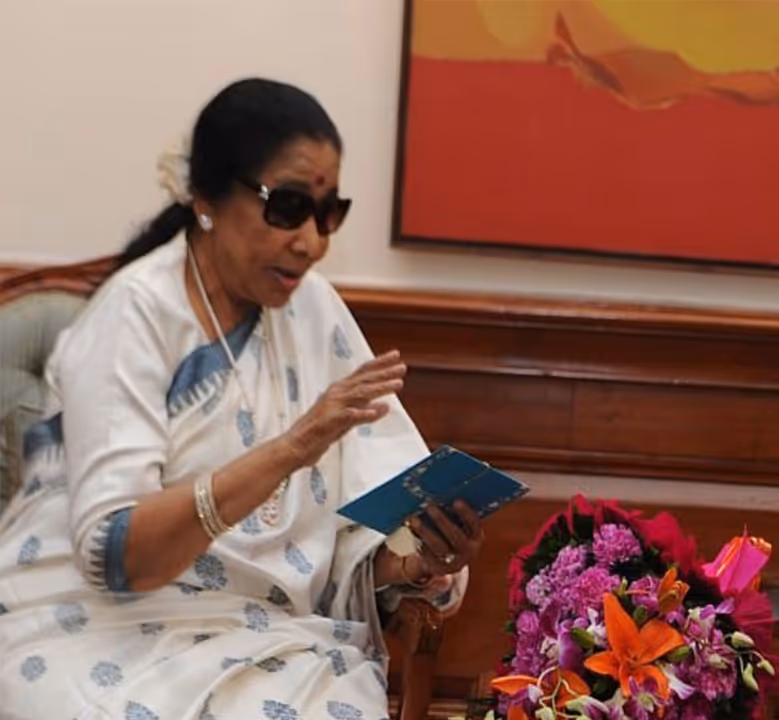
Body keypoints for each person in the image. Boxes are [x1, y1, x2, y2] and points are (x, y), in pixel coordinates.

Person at [0, 78, 483, 719]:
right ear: (205, 198)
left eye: (327, 213)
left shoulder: (314, 313)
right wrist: (292, 449)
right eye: (286, 207)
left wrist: (418, 559)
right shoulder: (136, 313)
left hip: (272, 636)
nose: (311, 242)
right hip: (98, 625)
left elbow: (353, 545)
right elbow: (117, 554)